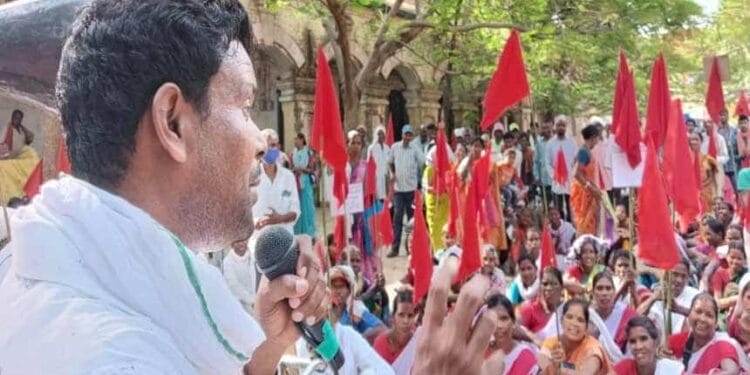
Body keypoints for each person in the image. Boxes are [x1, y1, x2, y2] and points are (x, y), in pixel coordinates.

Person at [0, 1, 329, 373]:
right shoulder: (120, 361)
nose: (260, 141)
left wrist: (273, 344)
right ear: (172, 121)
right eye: (245, 107)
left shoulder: (27, 270)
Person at [665, 293, 748, 373]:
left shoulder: (723, 344)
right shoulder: (677, 340)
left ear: (716, 323)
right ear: (689, 315)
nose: (702, 319)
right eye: (698, 312)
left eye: (709, 315)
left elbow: (731, 372)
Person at [538, 298, 611, 375]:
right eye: (569, 317)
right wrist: (555, 365)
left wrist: (562, 366)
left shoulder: (593, 348)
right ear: (561, 321)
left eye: (580, 320)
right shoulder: (552, 342)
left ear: (586, 327)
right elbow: (543, 361)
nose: (574, 323)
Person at [388, 124, 425, 258]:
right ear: (402, 135)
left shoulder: (415, 149)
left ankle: (412, 248)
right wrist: (392, 173)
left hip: (411, 190)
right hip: (399, 189)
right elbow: (390, 162)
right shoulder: (395, 147)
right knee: (397, 219)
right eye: (406, 134)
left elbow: (423, 163)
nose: (408, 137)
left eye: (410, 134)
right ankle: (395, 248)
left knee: (412, 220)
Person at [638, 258, 698, 334]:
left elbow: (703, 318)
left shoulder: (695, 295)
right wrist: (653, 299)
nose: (679, 280)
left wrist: (679, 309)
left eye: (683, 276)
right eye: (675, 274)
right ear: (666, 274)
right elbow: (637, 317)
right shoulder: (656, 295)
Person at [329, 265, 386, 343]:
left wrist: (359, 340)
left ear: (350, 289)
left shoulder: (356, 308)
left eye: (341, 286)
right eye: (334, 287)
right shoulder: (325, 309)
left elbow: (381, 328)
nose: (337, 291)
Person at [485, 293, 539, 374]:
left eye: (504, 319)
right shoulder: (481, 351)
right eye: (493, 319)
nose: (499, 325)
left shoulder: (524, 356)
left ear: (513, 322)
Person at [612, 316, 684, 374]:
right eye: (632, 341)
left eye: (643, 339)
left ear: (656, 342)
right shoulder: (624, 369)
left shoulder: (671, 370)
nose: (638, 346)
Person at [252, 147, 300, 234]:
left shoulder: (288, 176)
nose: (270, 150)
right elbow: (241, 212)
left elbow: (296, 210)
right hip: (259, 239)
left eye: (273, 145)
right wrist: (255, 222)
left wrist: (280, 219)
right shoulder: (250, 177)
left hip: (284, 239)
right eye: (266, 146)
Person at [590, 272, 637, 349]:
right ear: (593, 293)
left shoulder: (626, 315)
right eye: (599, 288)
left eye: (608, 288)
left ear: (614, 292)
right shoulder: (587, 316)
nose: (604, 293)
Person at [373, 289, 417, 368]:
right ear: (393, 317)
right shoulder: (380, 344)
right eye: (401, 315)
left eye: (410, 315)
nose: (405, 321)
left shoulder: (417, 343)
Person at [570, 124, 602, 235]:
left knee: (593, 223)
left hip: (589, 192)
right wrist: (590, 188)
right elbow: (576, 173)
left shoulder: (587, 151)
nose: (598, 141)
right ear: (593, 137)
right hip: (583, 194)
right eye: (598, 138)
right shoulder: (583, 152)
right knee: (584, 224)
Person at [519, 267, 565, 342]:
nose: (549, 288)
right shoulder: (531, 308)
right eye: (545, 284)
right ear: (540, 287)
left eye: (554, 284)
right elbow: (514, 326)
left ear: (561, 287)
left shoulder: (567, 309)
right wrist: (535, 339)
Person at [546, 115, 578, 221]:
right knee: (558, 209)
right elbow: (547, 163)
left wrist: (573, 174)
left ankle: (570, 229)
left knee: (570, 209)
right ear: (555, 126)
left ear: (566, 127)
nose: (561, 127)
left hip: (570, 180)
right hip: (556, 182)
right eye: (558, 125)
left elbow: (576, 160)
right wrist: (554, 176)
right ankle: (560, 229)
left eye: (563, 125)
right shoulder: (550, 144)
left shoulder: (572, 142)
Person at [291, 133, 316, 237]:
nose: (295, 141)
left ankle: (309, 231)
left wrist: (302, 169)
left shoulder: (309, 153)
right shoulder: (293, 153)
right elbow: (291, 167)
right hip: (295, 182)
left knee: (307, 207)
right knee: (297, 206)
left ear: (302, 140)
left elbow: (312, 169)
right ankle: (298, 232)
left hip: (305, 183)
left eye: (297, 139)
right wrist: (295, 170)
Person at [711, 240, 747, 312]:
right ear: (727, 257)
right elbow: (717, 303)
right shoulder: (719, 273)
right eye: (732, 257)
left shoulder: (747, 275)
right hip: (724, 313)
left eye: (739, 258)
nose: (735, 261)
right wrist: (739, 297)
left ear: (745, 260)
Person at [692, 131, 720, 212]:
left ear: (701, 141)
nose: (693, 142)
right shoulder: (684, 161)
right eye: (691, 140)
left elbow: (714, 179)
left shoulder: (708, 159)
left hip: (706, 194)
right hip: (690, 193)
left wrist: (716, 195)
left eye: (696, 139)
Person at [367, 125, 392, 201]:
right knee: (376, 198)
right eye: (379, 134)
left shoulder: (387, 148)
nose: (381, 136)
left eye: (383, 134)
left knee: (385, 199)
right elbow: (369, 163)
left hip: (385, 177)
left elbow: (389, 163)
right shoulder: (372, 148)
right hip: (375, 177)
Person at [534, 121, 553, 206]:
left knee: (557, 205)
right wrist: (537, 177)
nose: (546, 130)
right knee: (546, 204)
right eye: (544, 128)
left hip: (555, 179)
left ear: (552, 128)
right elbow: (536, 161)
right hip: (543, 179)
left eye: (548, 127)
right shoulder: (539, 143)